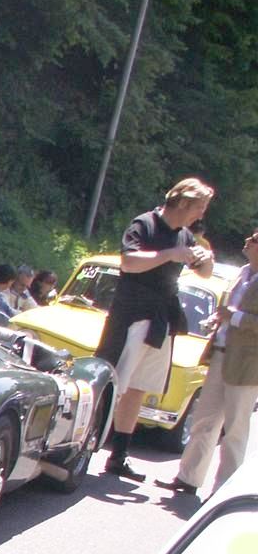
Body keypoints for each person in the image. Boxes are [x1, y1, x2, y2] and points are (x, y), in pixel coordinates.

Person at [97, 177, 217, 480]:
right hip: (132, 317)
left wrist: (205, 260)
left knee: (138, 388)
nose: (201, 214)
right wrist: (168, 255)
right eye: (200, 207)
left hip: (161, 320)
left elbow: (205, 273)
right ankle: (85, 446)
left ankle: (118, 456)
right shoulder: (145, 224)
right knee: (113, 384)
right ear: (184, 202)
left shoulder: (185, 236)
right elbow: (128, 262)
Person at [162, 227, 258, 496]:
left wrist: (233, 317)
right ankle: (188, 477)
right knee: (204, 420)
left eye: (254, 239)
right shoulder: (243, 272)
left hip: (248, 364)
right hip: (220, 353)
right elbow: (227, 310)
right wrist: (218, 319)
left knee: (235, 429)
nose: (247, 241)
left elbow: (241, 317)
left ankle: (223, 490)